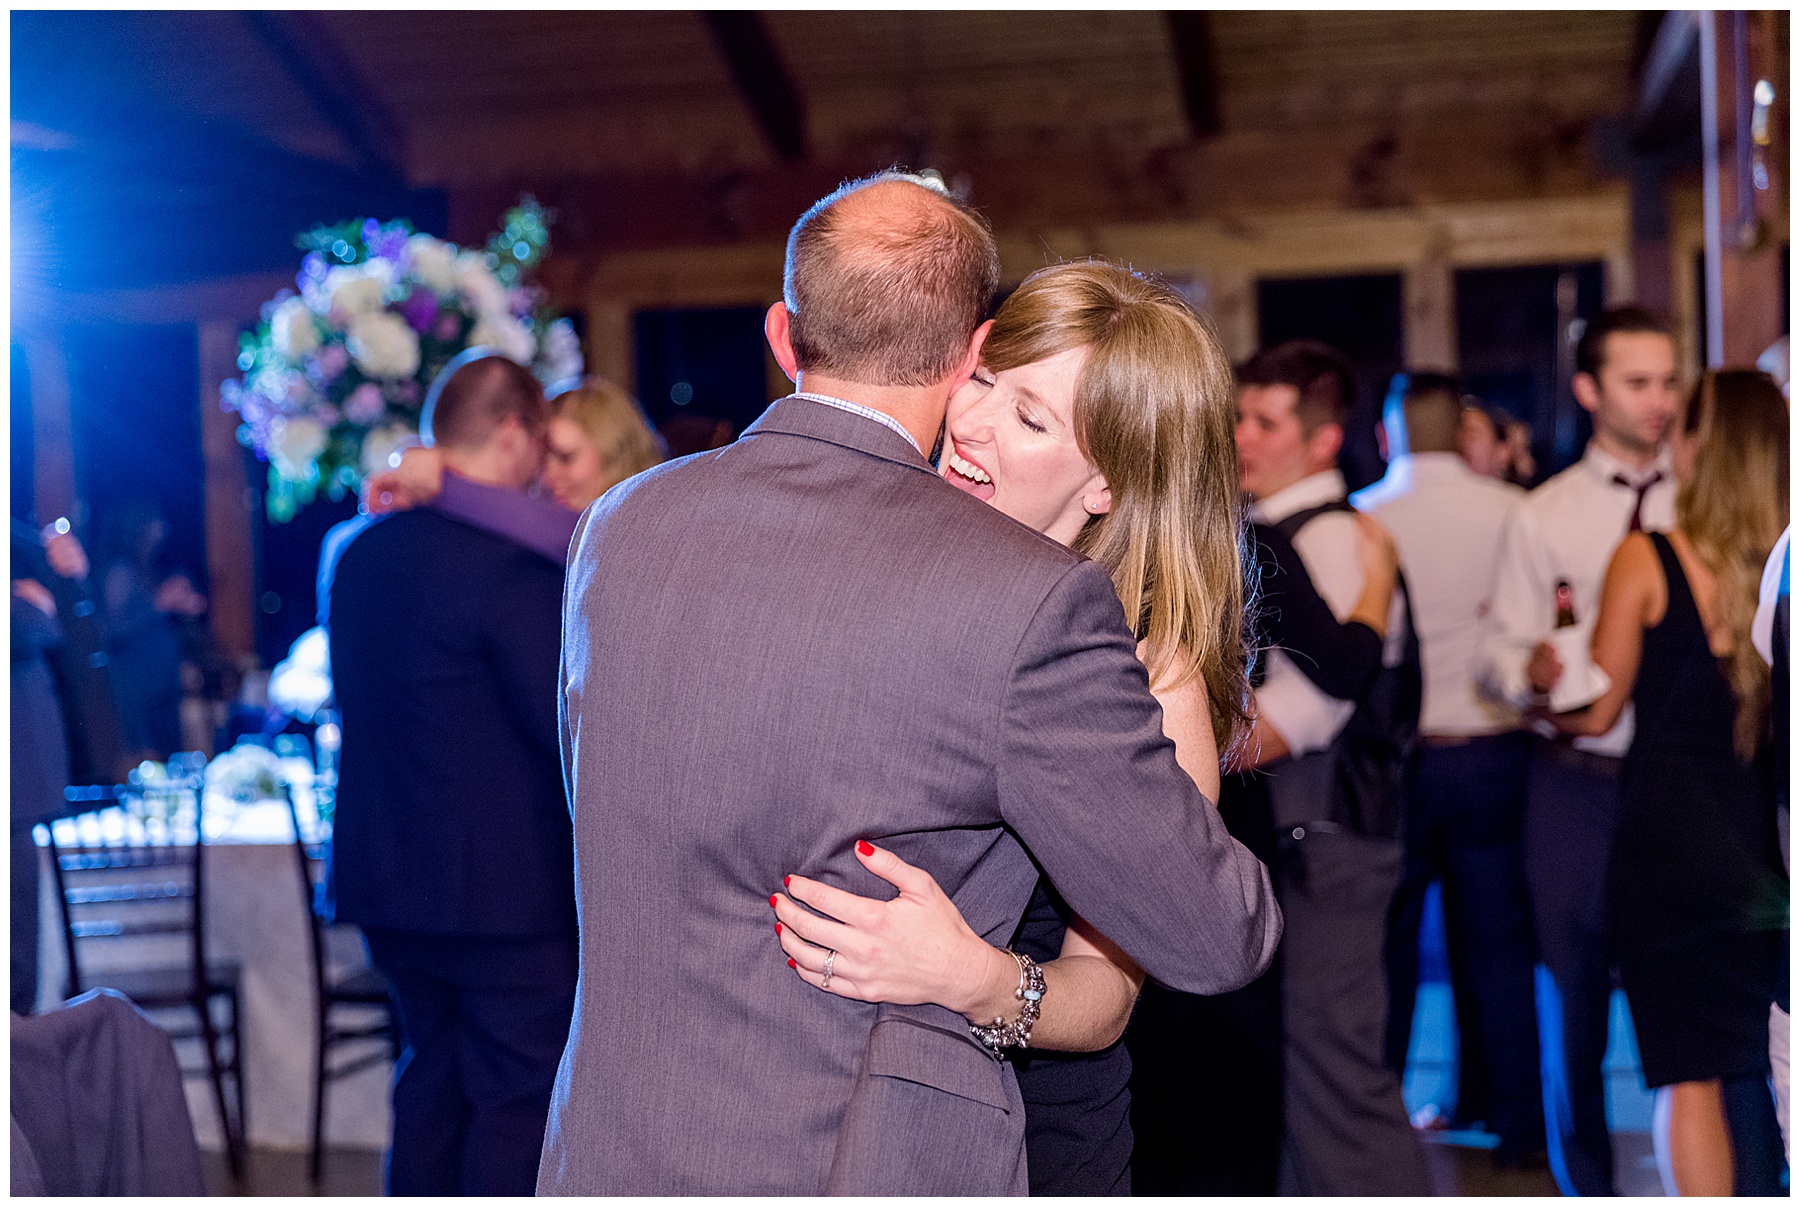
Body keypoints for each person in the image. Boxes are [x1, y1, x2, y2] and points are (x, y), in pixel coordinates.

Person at [539, 173, 1282, 1196]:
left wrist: (979, 979)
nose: (973, 426)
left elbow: (1168, 956)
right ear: (961, 358)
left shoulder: (1119, 649)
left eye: (1030, 418)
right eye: (987, 384)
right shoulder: (923, 576)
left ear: (1109, 479)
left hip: (1007, 1125)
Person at [322, 350, 575, 1196]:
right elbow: (562, 730)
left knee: (429, 1076)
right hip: (503, 890)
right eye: (540, 450)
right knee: (515, 1094)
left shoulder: (356, 556)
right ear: (513, 433)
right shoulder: (511, 571)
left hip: (388, 882)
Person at [1544, 370, 1788, 1195]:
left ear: (1700, 446)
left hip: (1668, 856)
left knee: (1687, 1076)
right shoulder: (1787, 569)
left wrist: (1545, 688)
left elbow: (1597, 711)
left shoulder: (1645, 558)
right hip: (1766, 851)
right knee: (1764, 1063)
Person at [1477, 304, 1680, 1196]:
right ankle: (1584, 1187)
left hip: (1686, 783)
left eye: (1672, 381)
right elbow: (1495, 655)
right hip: (1576, 783)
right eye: (1640, 383)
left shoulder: (1708, 496)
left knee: (1691, 994)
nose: (1662, 402)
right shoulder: (1543, 513)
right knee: (1575, 1006)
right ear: (1591, 391)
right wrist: (1528, 667)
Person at [1228, 339, 1429, 1195]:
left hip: (1329, 839)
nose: (1240, 436)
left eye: (1264, 421)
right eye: (1239, 416)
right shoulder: (1281, 534)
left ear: (1320, 439)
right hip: (1306, 838)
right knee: (1306, 1067)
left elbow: (1306, 716)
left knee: (1336, 1068)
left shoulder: (1337, 538)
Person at [1358, 372, 1545, 1167]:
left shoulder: (1365, 514)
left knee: (1388, 948)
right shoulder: (1512, 511)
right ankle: (1515, 1124)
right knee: (1496, 947)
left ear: (1387, 433)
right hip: (1494, 754)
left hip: (1399, 764)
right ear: (1460, 429)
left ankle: (1378, 1114)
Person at [367, 374, 665, 527]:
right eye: (542, 462)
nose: (548, 478)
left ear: (617, 454)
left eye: (565, 457)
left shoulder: (654, 531)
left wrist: (445, 484)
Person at [97, 501, 205, 761]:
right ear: (136, 531)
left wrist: (185, 607)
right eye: (152, 532)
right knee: (145, 760)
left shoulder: (150, 571)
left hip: (161, 683)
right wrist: (158, 603)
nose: (158, 538)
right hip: (136, 687)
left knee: (168, 756)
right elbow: (111, 628)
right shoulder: (120, 573)